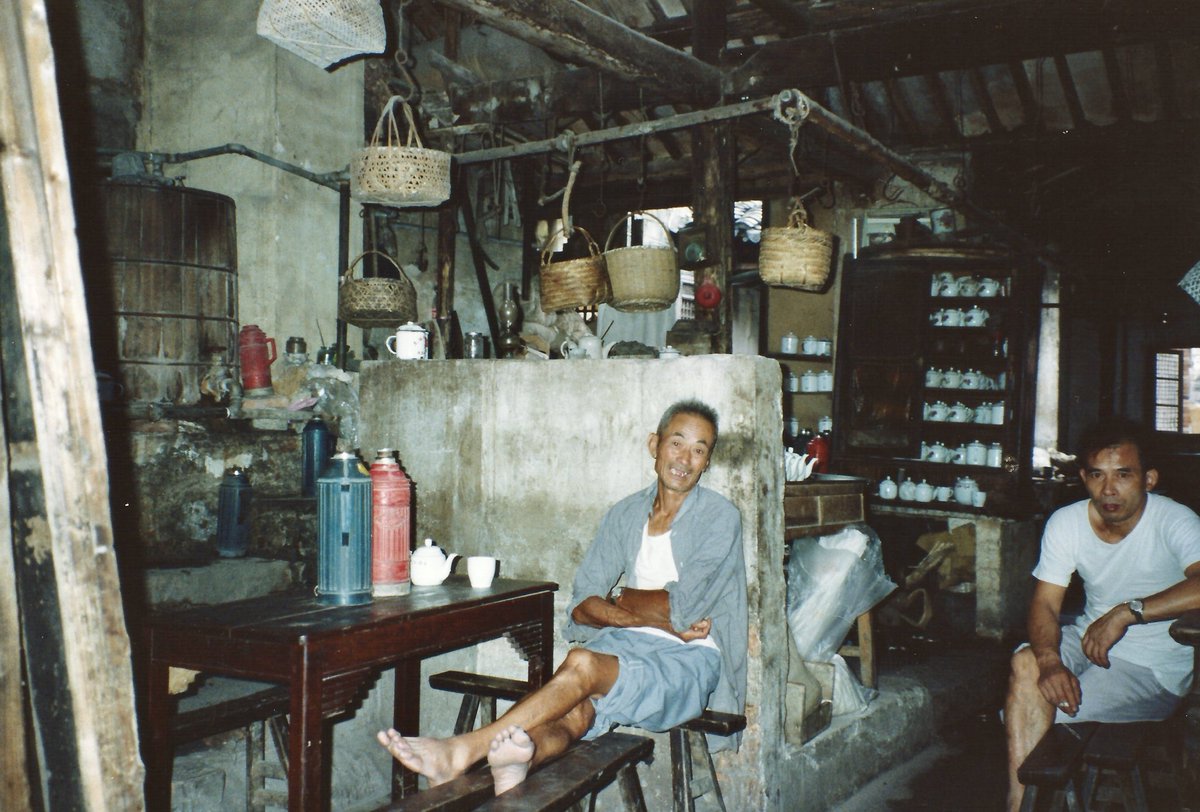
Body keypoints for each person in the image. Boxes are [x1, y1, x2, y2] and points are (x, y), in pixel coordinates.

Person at [377, 399, 747, 795]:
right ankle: (523, 759)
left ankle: (461, 751)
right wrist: (639, 610)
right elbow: (582, 607)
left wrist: (623, 601)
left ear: (707, 461)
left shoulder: (720, 517)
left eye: (699, 449)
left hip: (688, 660)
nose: (685, 459)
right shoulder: (624, 514)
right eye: (677, 443)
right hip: (625, 648)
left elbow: (684, 608)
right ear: (653, 445)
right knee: (575, 715)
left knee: (582, 662)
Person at [1004, 417, 1200, 810]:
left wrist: (1128, 612)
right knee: (1027, 665)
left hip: (1154, 670)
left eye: (1123, 474)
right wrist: (1049, 661)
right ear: (1083, 477)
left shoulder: (1175, 521)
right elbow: (1045, 603)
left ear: (1148, 478)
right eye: (1097, 475)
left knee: (1029, 712)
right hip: (1085, 642)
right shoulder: (1067, 523)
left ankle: (1024, 805)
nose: (1109, 489)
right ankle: (1018, 802)